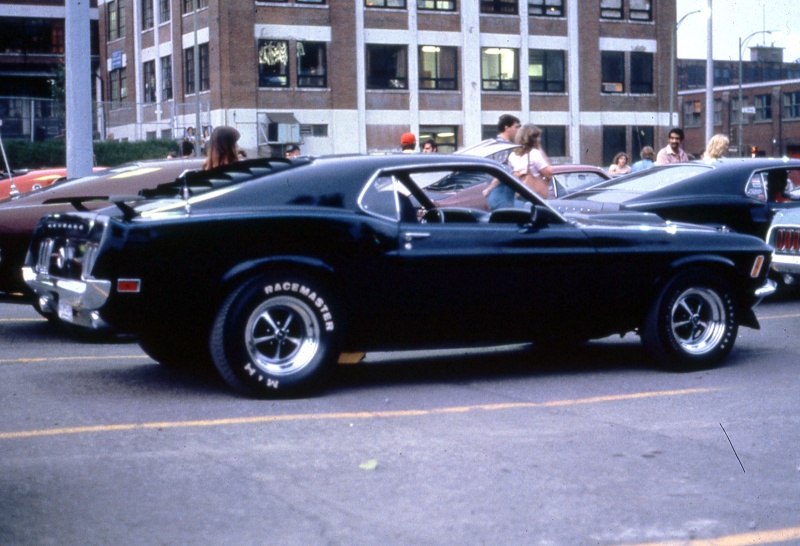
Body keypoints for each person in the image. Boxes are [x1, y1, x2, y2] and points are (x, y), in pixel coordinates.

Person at [482, 114, 521, 209]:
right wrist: (489, 189)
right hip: (501, 191)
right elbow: (501, 171)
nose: (518, 130)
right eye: (516, 127)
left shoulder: (494, 144)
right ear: (506, 127)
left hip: (499, 192)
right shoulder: (504, 146)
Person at [508, 123, 552, 200]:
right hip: (534, 196)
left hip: (519, 193)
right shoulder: (534, 154)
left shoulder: (512, 155)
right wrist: (540, 148)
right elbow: (549, 173)